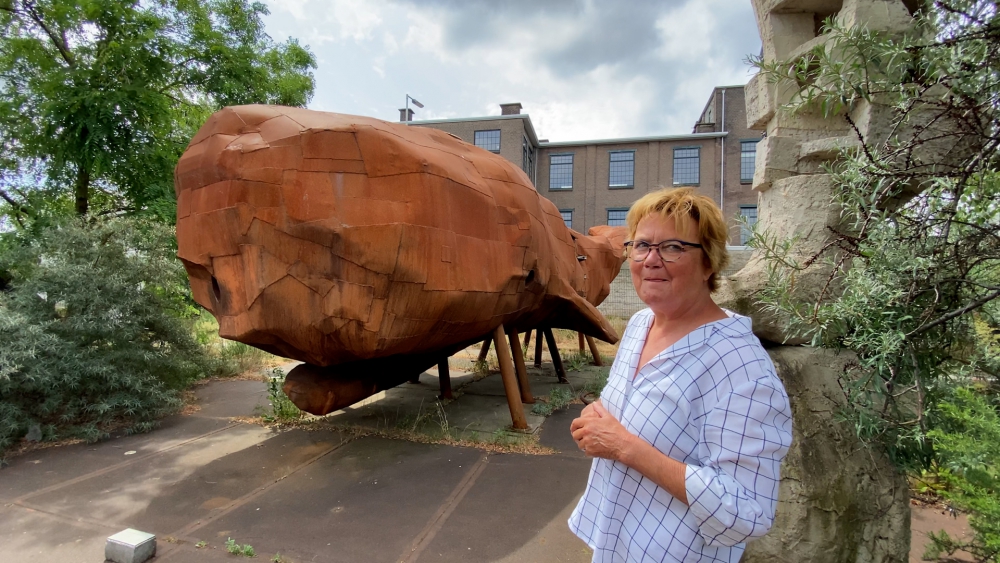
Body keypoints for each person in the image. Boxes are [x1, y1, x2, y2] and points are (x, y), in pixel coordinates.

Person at [568, 187, 792, 562]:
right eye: (641, 246)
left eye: (672, 247)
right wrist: (598, 418)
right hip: (616, 544)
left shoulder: (741, 367)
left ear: (709, 263)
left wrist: (624, 446)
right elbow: (623, 405)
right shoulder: (641, 325)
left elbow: (747, 511)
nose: (651, 260)